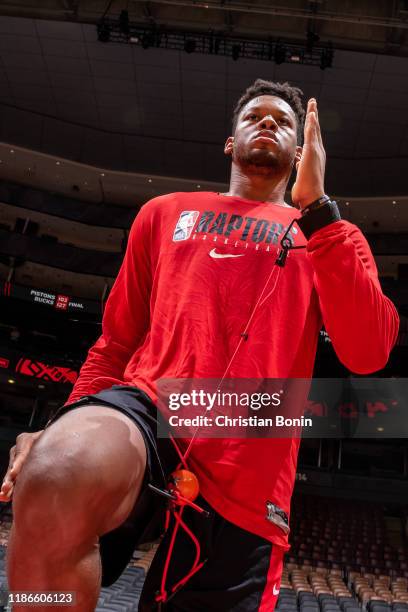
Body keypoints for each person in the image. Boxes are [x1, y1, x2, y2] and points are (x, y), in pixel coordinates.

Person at [0, 79, 399, 611]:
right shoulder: (164, 212)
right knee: (56, 472)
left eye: (283, 121)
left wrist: (320, 210)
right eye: (255, 116)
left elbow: (368, 352)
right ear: (230, 143)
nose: (268, 124)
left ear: (303, 153)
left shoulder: (330, 236)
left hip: (251, 439)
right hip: (151, 401)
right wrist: (63, 422)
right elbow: (117, 340)